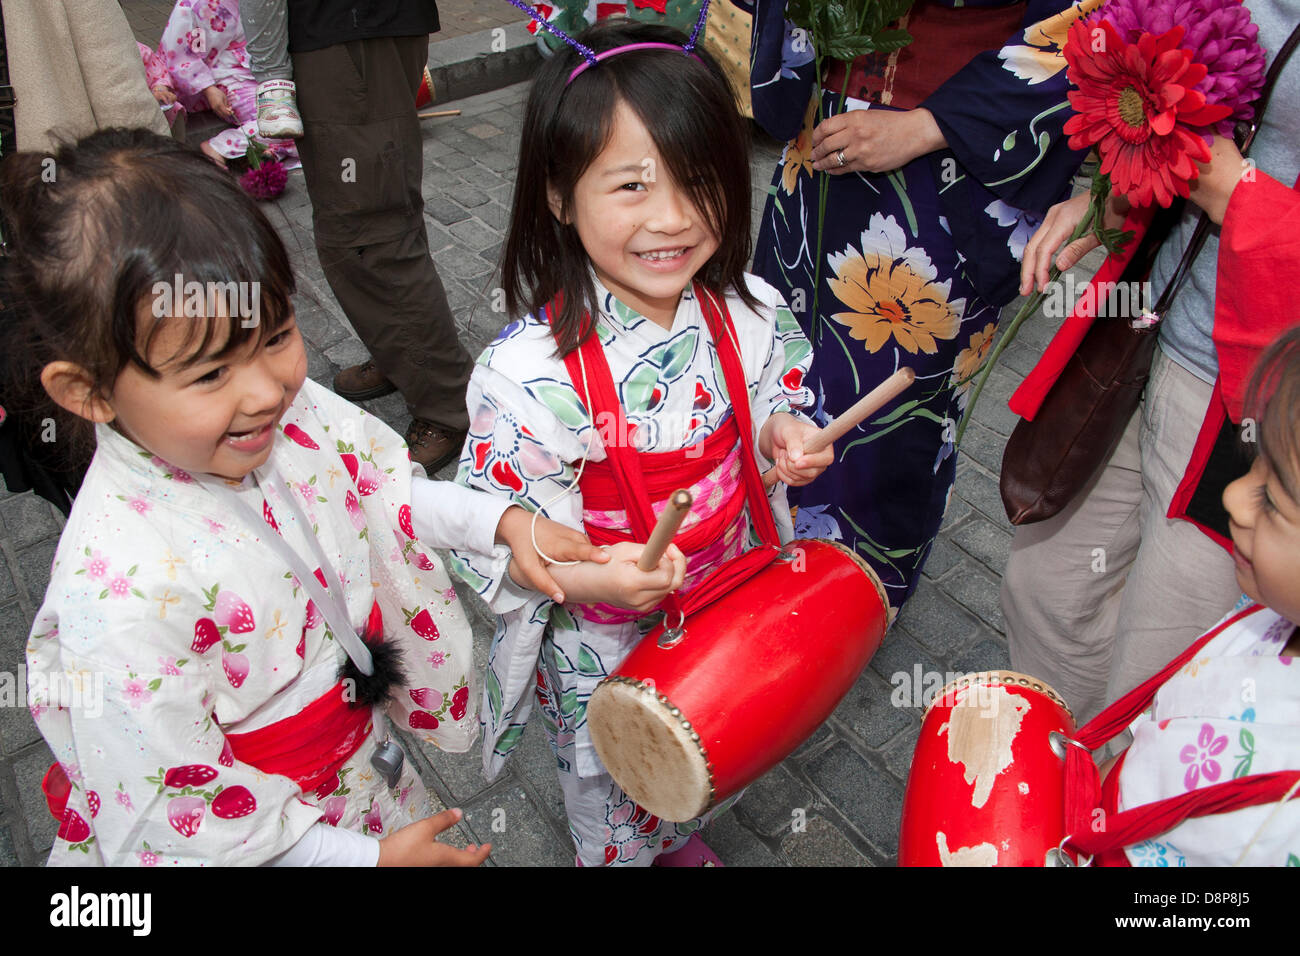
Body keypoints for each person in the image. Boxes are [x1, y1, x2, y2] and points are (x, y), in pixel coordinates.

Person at [6, 128, 602, 866]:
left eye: (278, 334)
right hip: (272, 836)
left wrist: (502, 521)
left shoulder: (283, 416)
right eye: (209, 374)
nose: (266, 391)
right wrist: (367, 861)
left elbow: (384, 493)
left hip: (355, 769)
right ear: (88, 389)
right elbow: (178, 811)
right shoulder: (119, 592)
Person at [450, 17, 831, 866]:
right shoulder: (526, 374)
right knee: (617, 779)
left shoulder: (748, 309)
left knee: (710, 737)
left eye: (700, 181)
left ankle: (678, 837)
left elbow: (779, 393)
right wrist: (596, 578)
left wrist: (785, 431)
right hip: (605, 629)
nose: (673, 219)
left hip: (723, 583)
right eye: (630, 187)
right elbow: (509, 535)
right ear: (558, 195)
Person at [745, 0, 1096, 612]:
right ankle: (748, 564)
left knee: (894, 413)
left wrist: (928, 124)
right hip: (822, 133)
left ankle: (849, 603)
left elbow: (1092, 14)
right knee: (772, 361)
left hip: (957, 157)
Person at [1002, 5, 1299, 724]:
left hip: (1256, 398)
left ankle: (1130, 818)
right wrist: (1111, 191)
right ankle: (1070, 787)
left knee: (1164, 673)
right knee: (1048, 588)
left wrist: (1242, 198)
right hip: (1148, 325)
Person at [285, 0, 475, 473]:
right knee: (359, 226)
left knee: (372, 232)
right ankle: (402, 356)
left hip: (351, 30)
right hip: (341, 30)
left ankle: (445, 402)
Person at [148, 0, 298, 168]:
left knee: (305, 117)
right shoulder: (195, 5)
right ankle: (220, 146)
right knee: (286, 122)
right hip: (227, 76)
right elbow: (181, 53)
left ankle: (271, 152)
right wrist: (208, 88)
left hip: (267, 65)